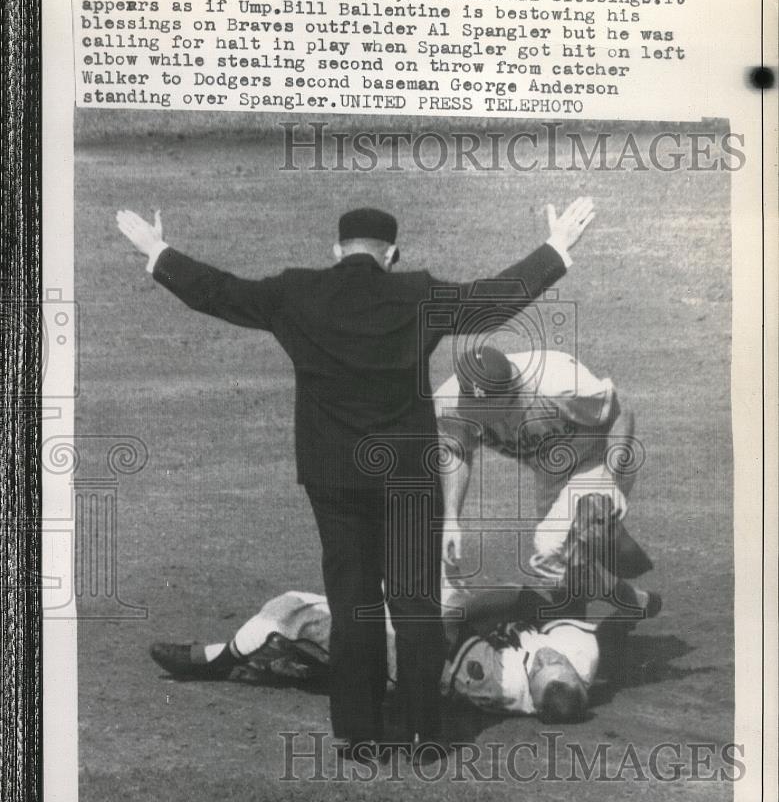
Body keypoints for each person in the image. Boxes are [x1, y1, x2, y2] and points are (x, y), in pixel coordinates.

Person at [116, 199, 595, 756]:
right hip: (409, 478)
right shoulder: (416, 292)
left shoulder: (296, 292)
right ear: (391, 255)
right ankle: (423, 733)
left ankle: (361, 733)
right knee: (415, 605)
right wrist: (556, 249)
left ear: (337, 250)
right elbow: (489, 303)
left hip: (334, 478)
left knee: (353, 602)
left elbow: (219, 291)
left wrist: (158, 253)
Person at [148, 570, 661, 724]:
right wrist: (630, 607)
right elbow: (592, 633)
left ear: (530, 689)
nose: (550, 659)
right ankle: (302, 665)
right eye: (557, 663)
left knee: (287, 609)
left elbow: (454, 623)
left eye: (544, 668)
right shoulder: (578, 662)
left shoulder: (500, 683)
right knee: (574, 586)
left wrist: (522, 601)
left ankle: (210, 661)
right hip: (425, 639)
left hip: (410, 658)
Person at [434, 343, 652, 586]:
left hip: (599, 457)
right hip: (549, 472)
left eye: (486, 408)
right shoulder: (450, 403)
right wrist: (451, 519)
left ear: (510, 391)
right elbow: (457, 450)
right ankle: (627, 592)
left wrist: (609, 481)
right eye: (472, 406)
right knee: (565, 559)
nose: (477, 415)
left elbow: (620, 411)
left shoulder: (558, 385)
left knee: (550, 548)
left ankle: (602, 535)